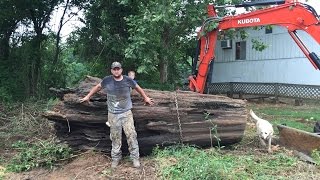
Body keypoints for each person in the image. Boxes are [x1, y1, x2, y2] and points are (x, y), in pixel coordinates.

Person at [80, 61, 154, 168]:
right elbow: (97, 87)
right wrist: (88, 96)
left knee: (131, 135)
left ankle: (135, 158)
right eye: (114, 69)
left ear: (121, 70)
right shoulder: (107, 80)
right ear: (111, 70)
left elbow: (137, 87)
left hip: (126, 113)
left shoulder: (127, 80)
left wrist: (145, 97)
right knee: (115, 137)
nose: (116, 70)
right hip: (113, 114)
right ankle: (115, 158)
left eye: (118, 69)